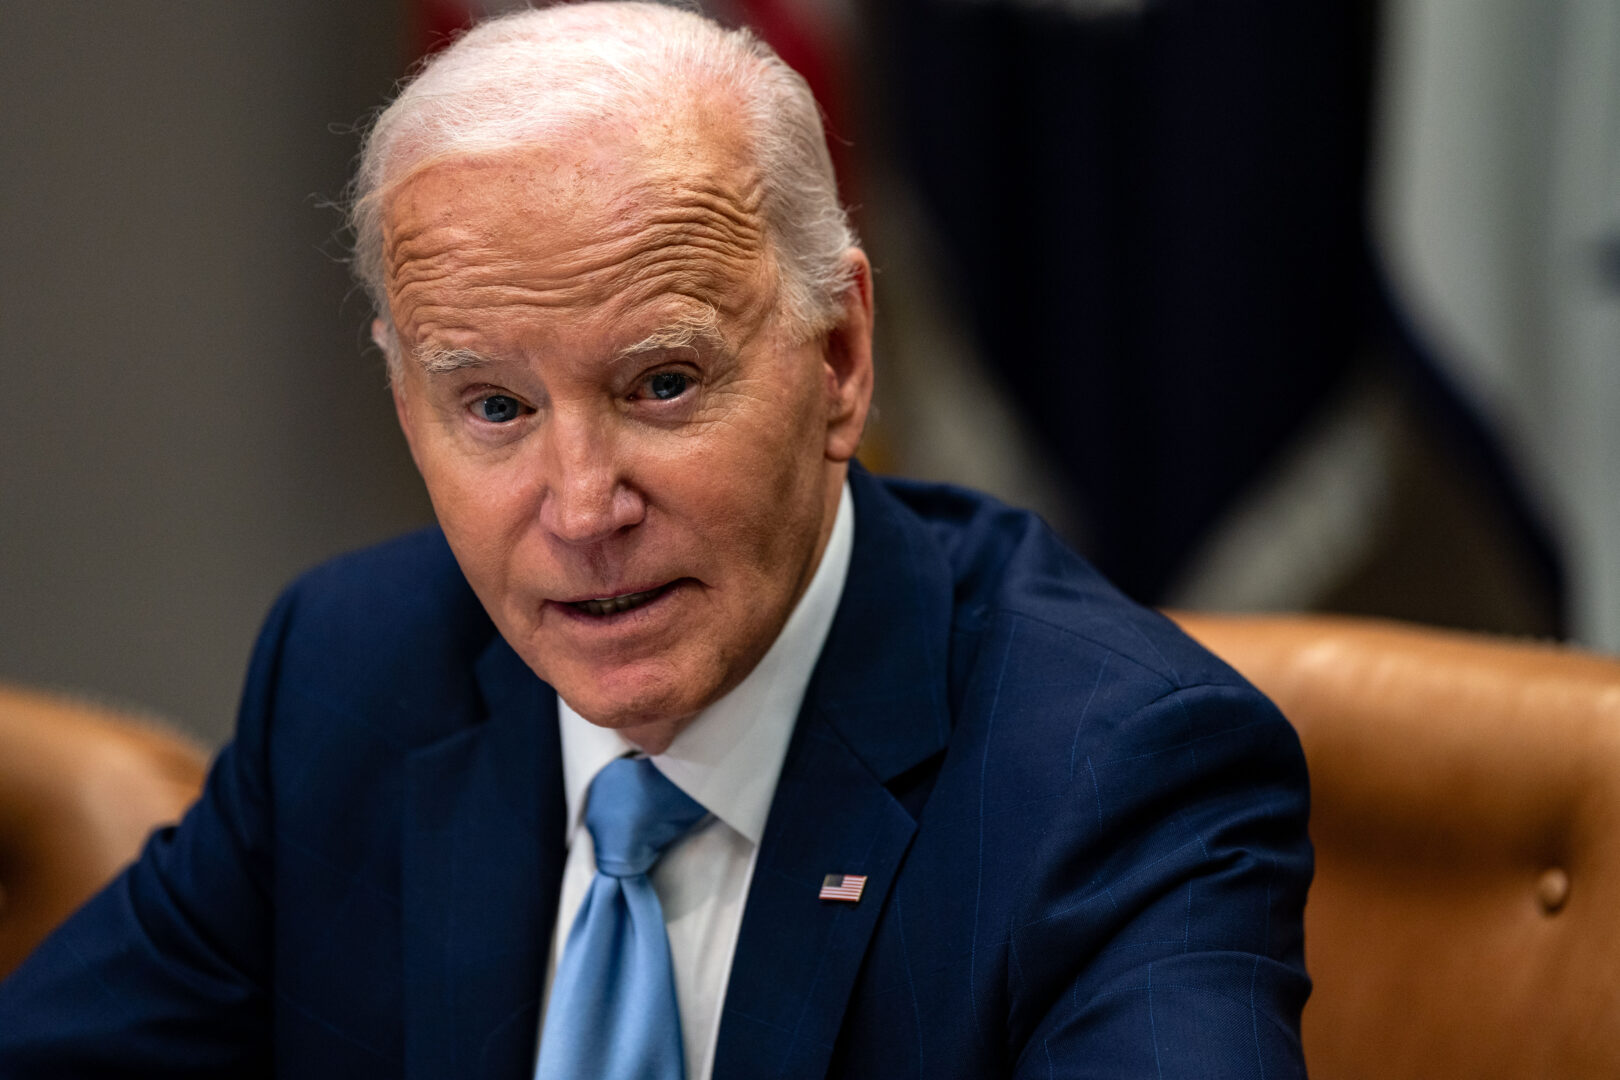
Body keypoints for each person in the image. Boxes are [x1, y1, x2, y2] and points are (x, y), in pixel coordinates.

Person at [0, 4, 1312, 1077]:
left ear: (841, 360)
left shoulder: (1116, 773)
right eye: (496, 408)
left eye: (662, 385)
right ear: (410, 409)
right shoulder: (354, 673)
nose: (581, 509)